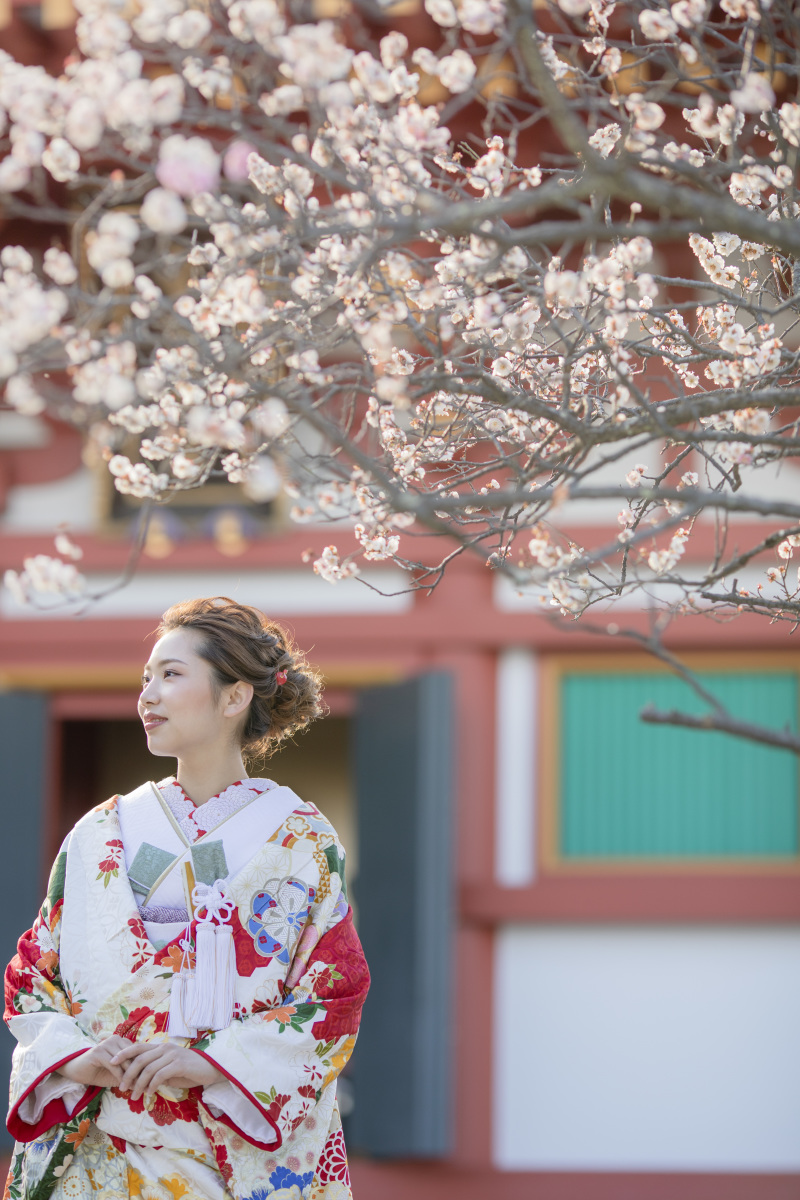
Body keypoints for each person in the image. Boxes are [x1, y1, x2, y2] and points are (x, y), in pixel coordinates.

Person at [4, 596, 370, 1200]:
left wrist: (211, 1062)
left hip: (218, 1148)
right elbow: (32, 974)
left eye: (171, 675)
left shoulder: (301, 840)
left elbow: (333, 995)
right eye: (145, 678)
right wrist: (78, 1056)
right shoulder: (100, 830)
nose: (147, 695)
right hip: (96, 1145)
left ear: (235, 696)